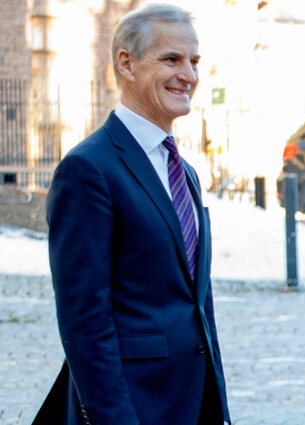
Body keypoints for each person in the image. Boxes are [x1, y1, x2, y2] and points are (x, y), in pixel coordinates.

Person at [33, 4, 230, 424]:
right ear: (126, 63)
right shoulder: (89, 169)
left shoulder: (185, 172)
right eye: (171, 59)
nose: (190, 75)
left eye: (194, 61)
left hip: (192, 400)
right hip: (134, 405)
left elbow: (198, 302)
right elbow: (84, 320)